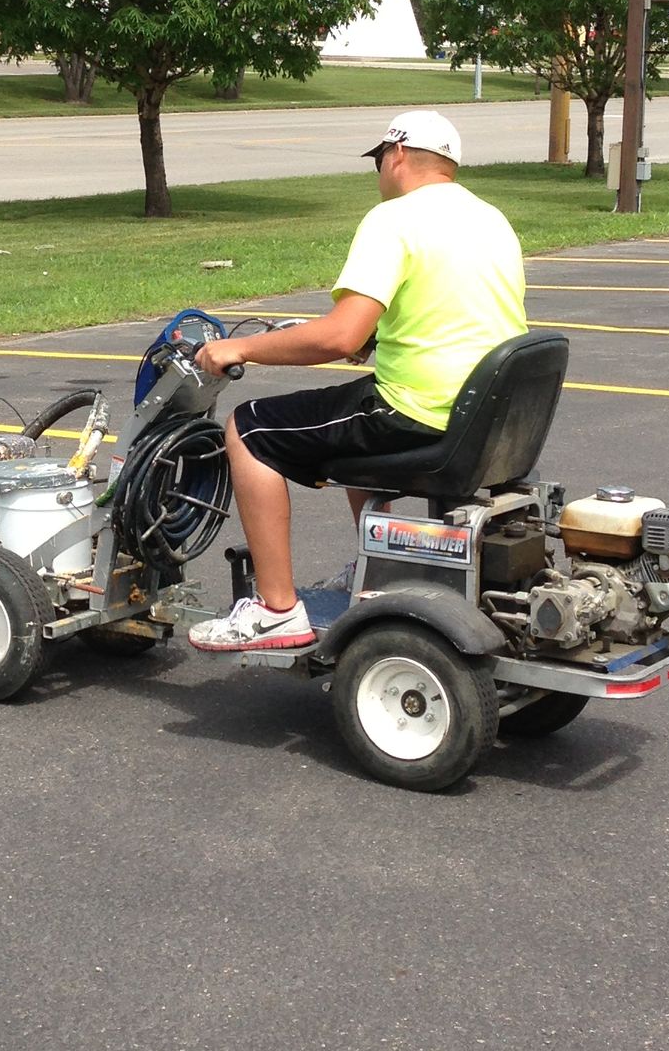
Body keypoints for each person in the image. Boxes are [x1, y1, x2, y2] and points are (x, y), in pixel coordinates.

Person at [187, 110, 527, 654]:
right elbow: (454, 314)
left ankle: (276, 611)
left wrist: (242, 346)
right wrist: (375, 340)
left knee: (249, 428)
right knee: (347, 408)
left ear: (395, 156)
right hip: (487, 416)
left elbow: (338, 338)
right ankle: (378, 566)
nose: (378, 175)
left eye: (378, 162)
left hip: (419, 413)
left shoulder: (394, 219)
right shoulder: (491, 218)